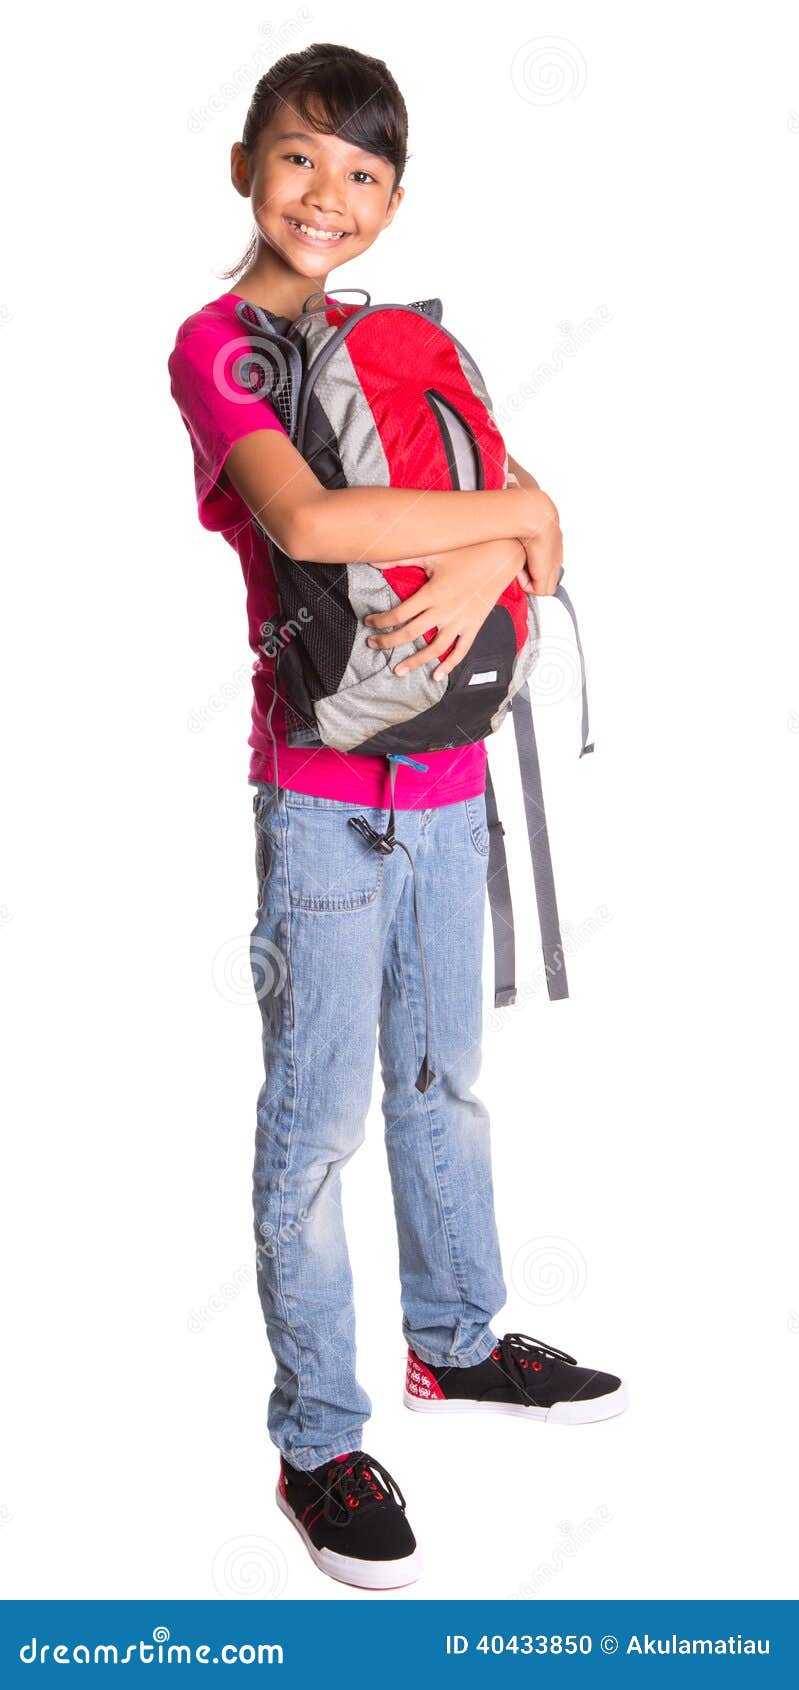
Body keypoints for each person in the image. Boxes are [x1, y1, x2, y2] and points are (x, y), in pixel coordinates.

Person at [167, 41, 626, 1592]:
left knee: (445, 1082)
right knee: (317, 1127)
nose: (328, 195)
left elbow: (545, 534)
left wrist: (503, 544)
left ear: (394, 202)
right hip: (317, 797)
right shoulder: (218, 347)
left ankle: (459, 1341)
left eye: (363, 175)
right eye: (301, 158)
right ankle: (318, 1439)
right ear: (246, 164)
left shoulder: (399, 347)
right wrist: (507, 523)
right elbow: (308, 518)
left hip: (445, 786)